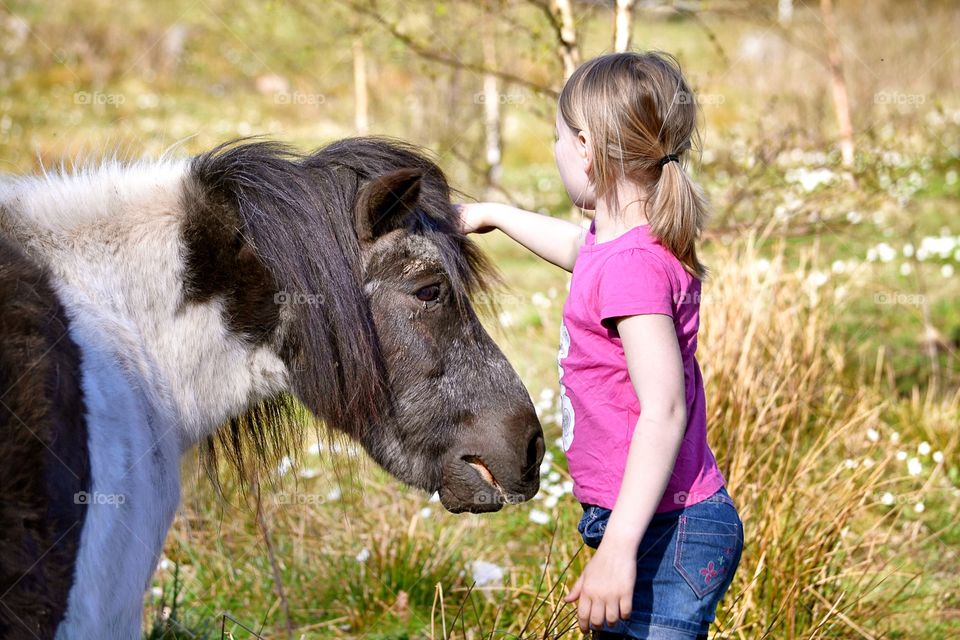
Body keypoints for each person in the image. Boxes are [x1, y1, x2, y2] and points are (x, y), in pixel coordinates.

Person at [457, 51, 743, 639]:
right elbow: (576, 251)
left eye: (558, 138)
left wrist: (617, 550)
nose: (558, 150)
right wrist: (493, 215)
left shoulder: (631, 266)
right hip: (641, 519)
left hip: (667, 528)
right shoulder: (617, 248)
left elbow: (663, 409)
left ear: (585, 148)